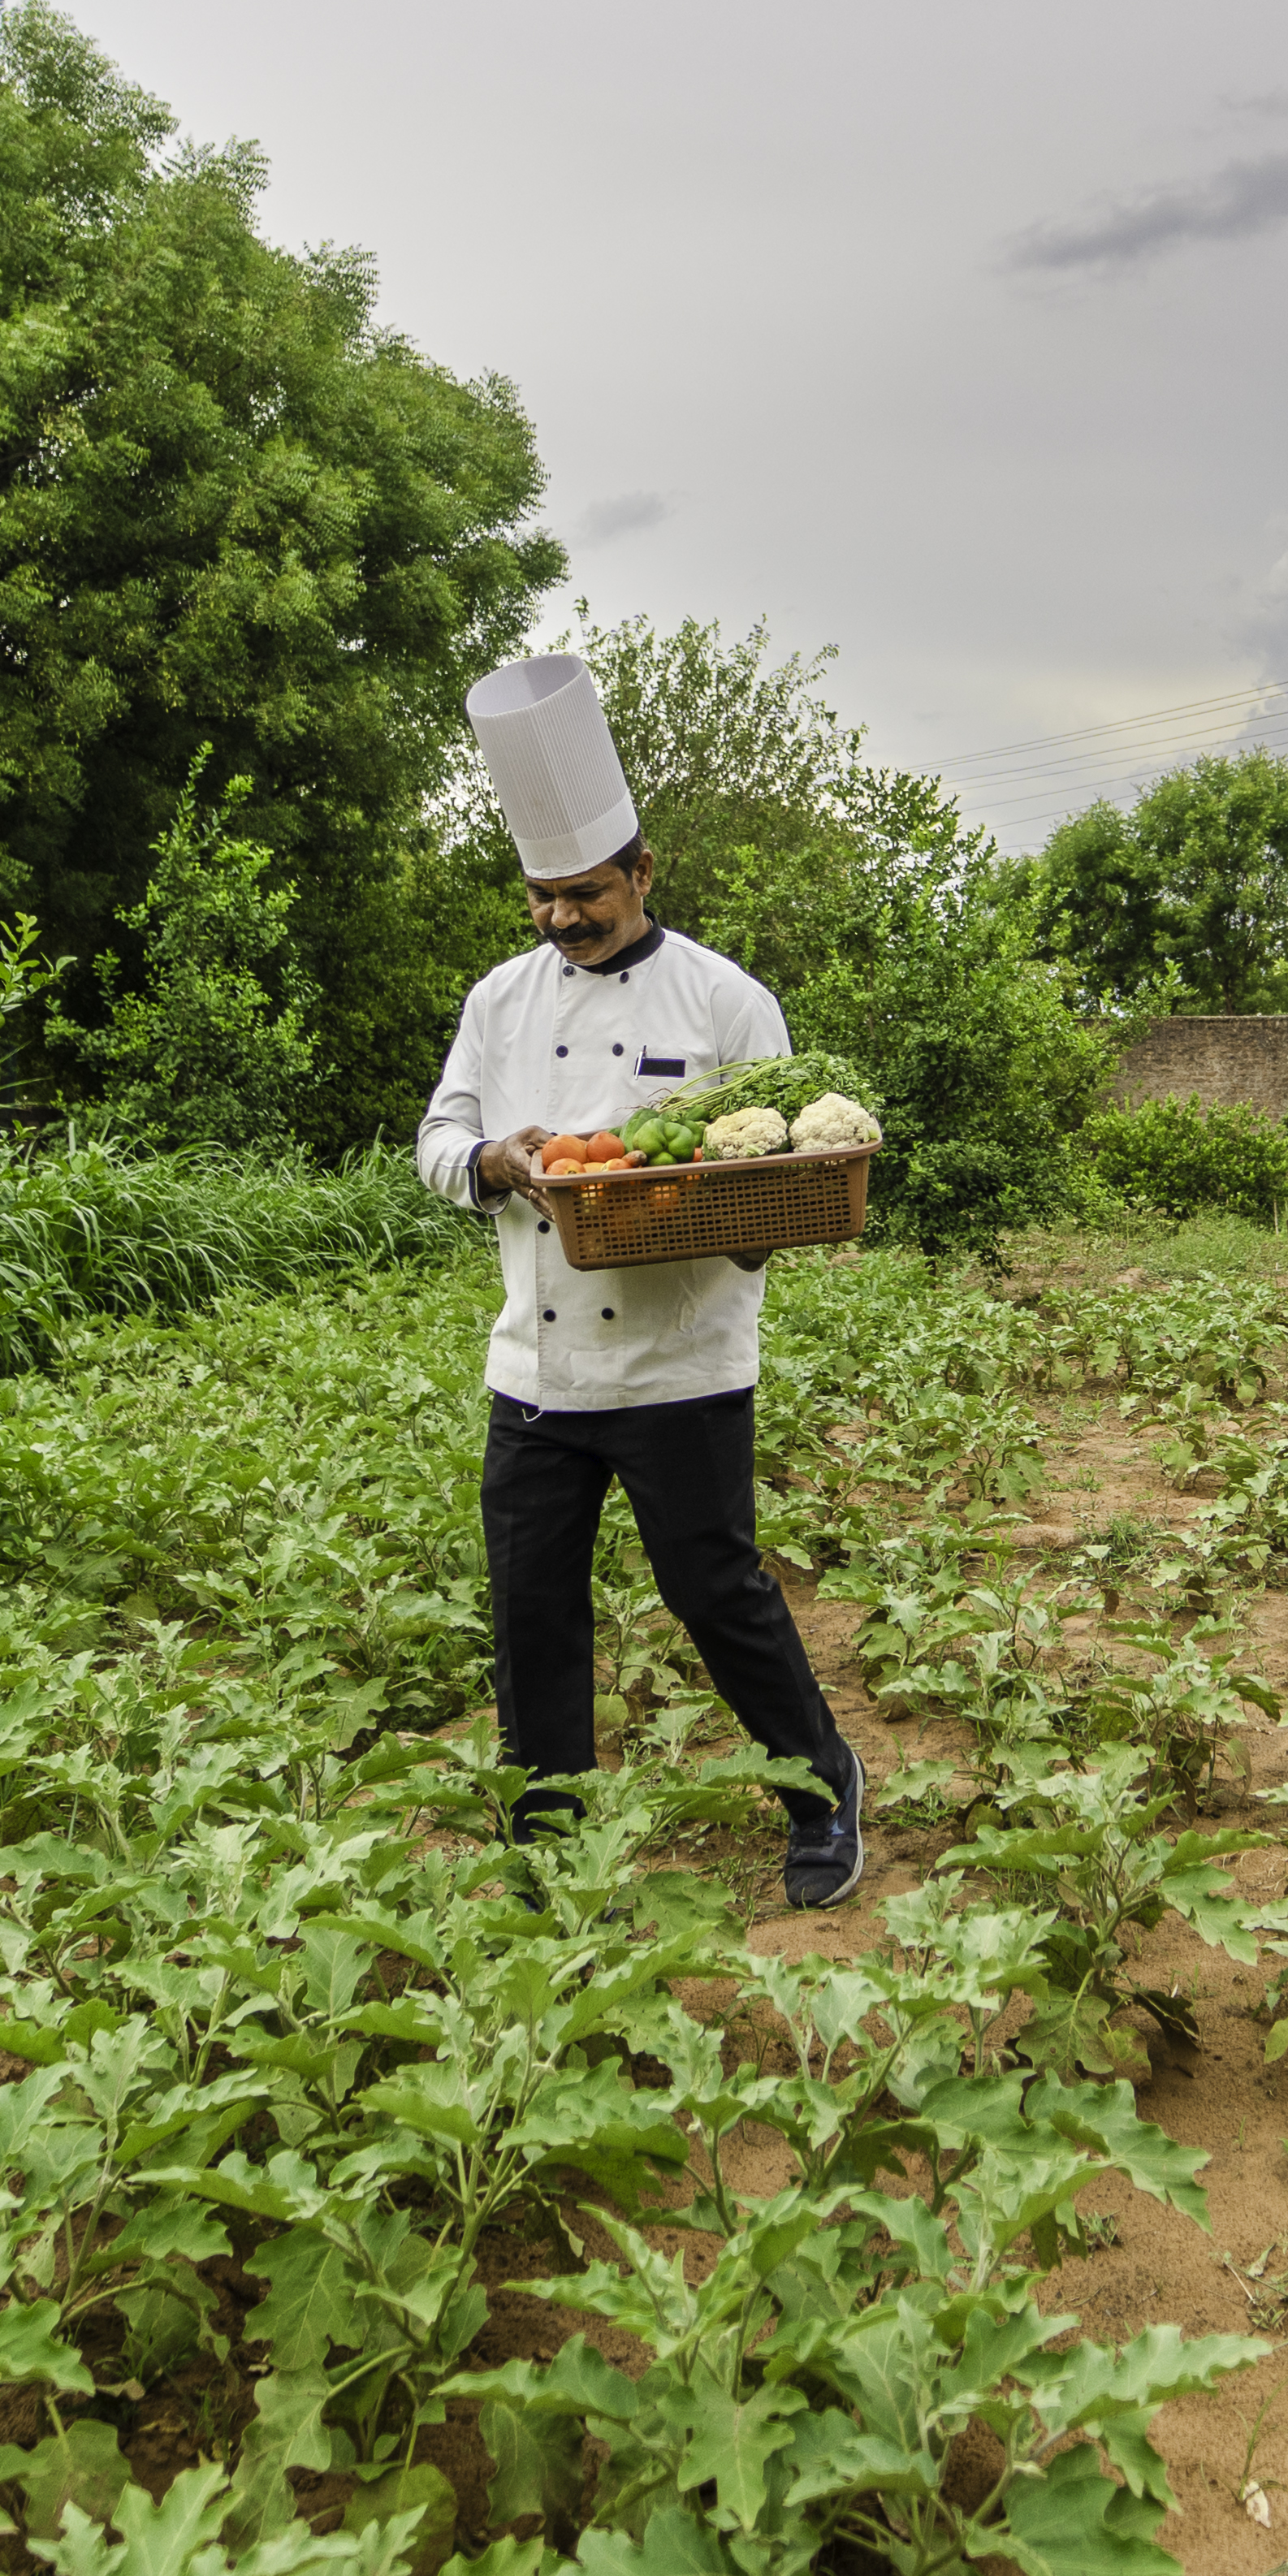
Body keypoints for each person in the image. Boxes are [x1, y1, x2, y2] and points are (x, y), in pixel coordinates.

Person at [415, 650, 871, 1908]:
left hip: (682, 1365)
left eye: (587, 895)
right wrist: (495, 1164)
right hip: (538, 1367)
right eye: (543, 896)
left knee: (715, 1593)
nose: (564, 918)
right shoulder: (498, 1002)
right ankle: (548, 1837)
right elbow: (437, 1141)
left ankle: (822, 1789)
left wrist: (717, 1211)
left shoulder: (727, 1002)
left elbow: (776, 1182)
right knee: (533, 1610)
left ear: (644, 873)